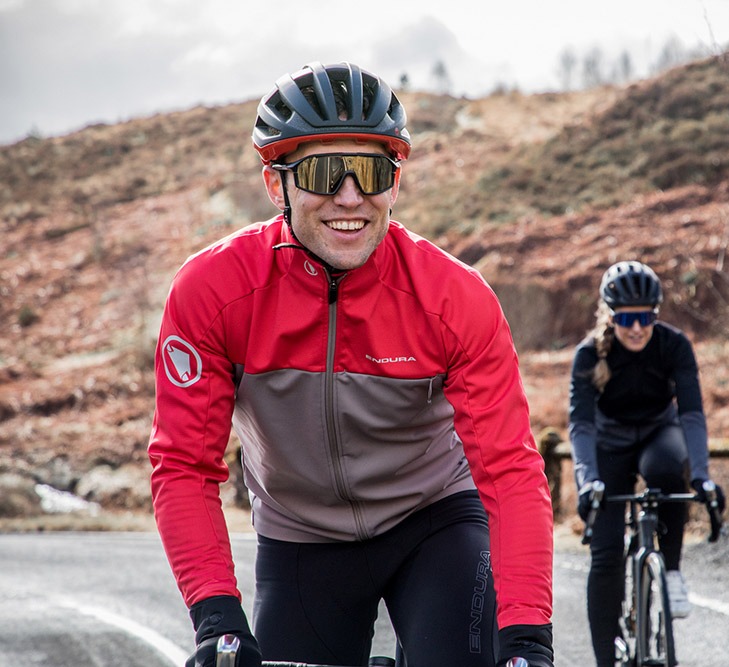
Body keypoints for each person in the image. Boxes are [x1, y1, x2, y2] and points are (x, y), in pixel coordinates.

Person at [148, 61, 554, 667]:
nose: (349, 197)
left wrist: (526, 639)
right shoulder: (214, 292)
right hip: (302, 539)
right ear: (274, 183)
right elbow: (183, 465)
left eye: (369, 170)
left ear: (395, 181)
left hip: (434, 520)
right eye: (321, 171)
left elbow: (511, 471)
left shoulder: (453, 298)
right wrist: (217, 620)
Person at [568, 260, 722, 667]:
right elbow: (580, 426)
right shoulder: (588, 355)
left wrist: (703, 476)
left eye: (646, 317)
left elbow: (691, 415)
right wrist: (588, 482)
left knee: (670, 470)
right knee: (604, 558)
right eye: (627, 318)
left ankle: (670, 571)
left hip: (658, 433)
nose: (637, 328)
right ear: (610, 315)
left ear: (657, 314)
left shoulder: (674, 346)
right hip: (608, 445)